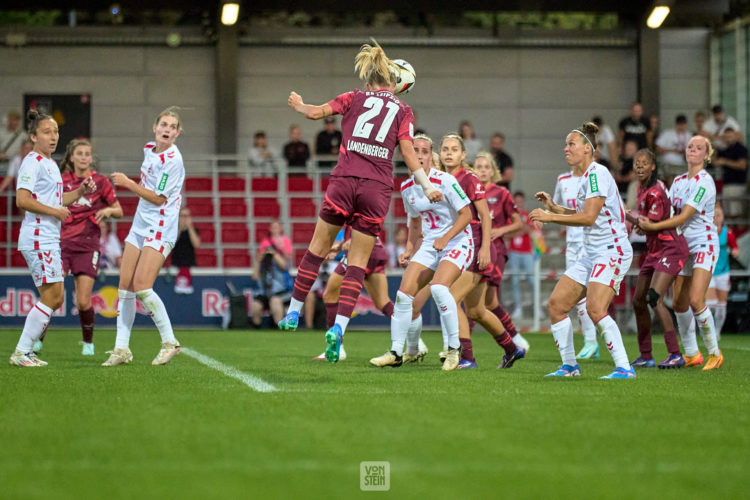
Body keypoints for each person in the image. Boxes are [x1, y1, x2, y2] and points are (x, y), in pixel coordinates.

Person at [276, 39, 442, 367]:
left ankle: (293, 312)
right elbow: (408, 154)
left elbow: (315, 113)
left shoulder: (353, 96)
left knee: (316, 249)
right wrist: (425, 186)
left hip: (344, 180)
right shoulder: (403, 110)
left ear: (371, 78)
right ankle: (338, 329)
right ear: (393, 83)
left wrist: (299, 105)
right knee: (357, 264)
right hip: (376, 187)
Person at [409, 134, 525, 370]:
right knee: (476, 310)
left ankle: (467, 357)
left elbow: (484, 216)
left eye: (454, 149)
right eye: (445, 149)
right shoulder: (440, 180)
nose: (449, 153)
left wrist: (484, 249)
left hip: (474, 245)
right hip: (459, 245)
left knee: (451, 297)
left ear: (463, 155)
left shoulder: (469, 178)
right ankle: (512, 349)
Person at [530, 122, 635, 379]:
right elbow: (584, 214)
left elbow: (588, 218)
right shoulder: (587, 176)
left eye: (571, 144)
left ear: (587, 149)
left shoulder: (597, 174)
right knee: (556, 305)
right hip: (592, 253)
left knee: (595, 309)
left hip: (612, 251)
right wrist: (554, 208)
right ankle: (569, 366)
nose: (565, 149)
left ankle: (624, 367)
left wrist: (550, 218)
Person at [370, 133, 473, 370]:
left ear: (430, 156)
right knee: (403, 296)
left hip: (458, 242)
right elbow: (415, 223)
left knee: (438, 287)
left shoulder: (445, 180)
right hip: (430, 245)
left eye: (425, 151)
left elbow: (467, 214)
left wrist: (446, 237)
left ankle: (454, 349)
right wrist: (409, 248)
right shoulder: (407, 187)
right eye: (414, 150)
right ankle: (397, 352)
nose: (419, 155)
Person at [9, 109, 95, 367]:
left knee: (54, 297)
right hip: (38, 237)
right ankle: (22, 352)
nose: (53, 136)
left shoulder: (49, 163)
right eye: (47, 132)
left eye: (56, 131)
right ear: (34, 137)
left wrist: (79, 191)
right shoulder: (32, 162)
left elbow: (56, 200)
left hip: (47, 237)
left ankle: (25, 351)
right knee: (54, 297)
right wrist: (55, 211)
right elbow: (22, 200)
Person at [103, 107, 186, 367]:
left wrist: (127, 183)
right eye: (164, 124)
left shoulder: (173, 160)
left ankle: (170, 342)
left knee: (142, 286)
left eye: (173, 127)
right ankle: (121, 349)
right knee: (125, 285)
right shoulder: (149, 148)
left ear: (177, 133)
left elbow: (158, 198)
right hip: (140, 224)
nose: (167, 130)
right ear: (155, 127)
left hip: (161, 226)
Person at [638, 136, 723, 370]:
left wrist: (652, 226)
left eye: (698, 148)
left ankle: (715, 353)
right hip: (684, 245)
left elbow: (684, 216)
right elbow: (669, 214)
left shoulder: (704, 181)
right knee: (678, 303)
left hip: (704, 243)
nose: (692, 150)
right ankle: (692, 354)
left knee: (696, 299)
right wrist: (646, 221)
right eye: (689, 147)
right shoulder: (678, 181)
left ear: (706, 155)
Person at [46, 138, 122, 356]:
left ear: (91, 158)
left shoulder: (101, 181)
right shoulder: (62, 180)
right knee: (54, 297)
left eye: (87, 154)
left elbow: (119, 210)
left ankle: (88, 342)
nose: (83, 157)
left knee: (82, 301)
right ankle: (37, 341)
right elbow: (51, 204)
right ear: (71, 157)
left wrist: (107, 211)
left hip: (88, 246)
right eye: (79, 153)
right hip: (61, 244)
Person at [626, 149, 688, 368]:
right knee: (638, 300)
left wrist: (623, 214)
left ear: (653, 166)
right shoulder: (642, 188)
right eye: (636, 163)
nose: (639, 166)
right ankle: (646, 356)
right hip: (654, 250)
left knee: (654, 297)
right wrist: (643, 227)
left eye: (644, 163)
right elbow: (647, 226)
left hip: (671, 248)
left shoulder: (656, 191)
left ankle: (675, 353)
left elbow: (649, 224)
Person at [474, 151, 529, 352]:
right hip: (475, 249)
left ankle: (461, 347)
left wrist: (499, 230)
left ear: (493, 171)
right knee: (490, 302)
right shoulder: (469, 192)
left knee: (475, 299)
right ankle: (515, 339)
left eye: (486, 167)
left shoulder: (502, 193)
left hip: (495, 251)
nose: (482, 170)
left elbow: (518, 223)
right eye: (479, 167)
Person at [314, 225, 395, 361]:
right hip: (375, 251)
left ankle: (336, 347)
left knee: (330, 294)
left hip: (360, 251)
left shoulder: (353, 207)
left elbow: (362, 232)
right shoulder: (361, 208)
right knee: (383, 302)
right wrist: (340, 247)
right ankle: (415, 342)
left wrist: (350, 242)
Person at [552, 164, 598, 360]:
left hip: (589, 241)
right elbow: (559, 208)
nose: (568, 151)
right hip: (572, 243)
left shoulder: (594, 177)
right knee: (578, 295)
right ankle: (590, 342)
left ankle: (591, 341)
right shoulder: (562, 179)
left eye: (572, 146)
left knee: (582, 294)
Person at [706, 202, 739, 340]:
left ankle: (717, 331)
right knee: (710, 303)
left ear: (723, 217)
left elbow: (736, 249)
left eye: (718, 215)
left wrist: (735, 252)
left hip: (723, 271)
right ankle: (708, 331)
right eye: (713, 215)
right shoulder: (706, 232)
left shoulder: (728, 233)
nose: (716, 218)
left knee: (721, 304)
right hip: (708, 271)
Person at [252, 224, 292, 328]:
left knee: (275, 301)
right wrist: (258, 261)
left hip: (281, 292)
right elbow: (255, 277)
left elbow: (284, 266)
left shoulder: (279, 262)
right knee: (256, 306)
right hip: (265, 293)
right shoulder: (263, 264)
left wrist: (274, 254)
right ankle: (256, 329)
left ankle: (278, 328)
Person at [507, 191, 536, 319]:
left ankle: (537, 308)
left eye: (520, 201)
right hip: (514, 252)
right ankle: (518, 308)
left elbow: (530, 230)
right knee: (515, 281)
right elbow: (507, 234)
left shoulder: (528, 215)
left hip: (526, 252)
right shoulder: (510, 216)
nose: (518, 204)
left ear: (523, 202)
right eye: (516, 202)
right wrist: (520, 230)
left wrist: (518, 228)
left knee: (532, 280)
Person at [714, 127, 747, 218]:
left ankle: (738, 232)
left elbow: (742, 165)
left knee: (737, 214)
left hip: (737, 184)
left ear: (735, 136)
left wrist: (725, 162)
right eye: (726, 137)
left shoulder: (741, 148)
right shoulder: (725, 150)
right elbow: (715, 162)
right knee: (727, 214)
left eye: (730, 136)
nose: (728, 139)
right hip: (727, 184)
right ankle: (730, 232)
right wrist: (715, 144)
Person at [172, 206, 201, 294]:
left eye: (187, 216)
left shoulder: (194, 230)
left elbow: (197, 244)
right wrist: (180, 228)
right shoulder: (173, 230)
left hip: (190, 265)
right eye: (182, 216)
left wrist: (189, 227)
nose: (184, 218)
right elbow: (172, 243)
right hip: (175, 265)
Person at [656, 114, 690, 182]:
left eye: (683, 125)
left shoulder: (689, 135)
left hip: (683, 165)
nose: (681, 127)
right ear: (676, 124)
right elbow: (657, 148)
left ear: (686, 125)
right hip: (669, 164)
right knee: (671, 175)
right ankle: (672, 191)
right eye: (679, 124)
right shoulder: (667, 133)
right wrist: (672, 151)